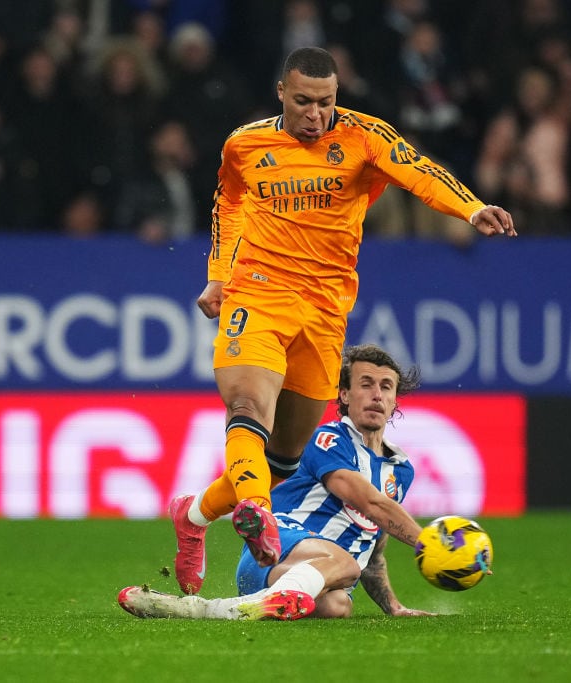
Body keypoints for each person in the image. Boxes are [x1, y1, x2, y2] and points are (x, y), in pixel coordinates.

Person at [168, 46, 515, 597]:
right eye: (303, 101)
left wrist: (470, 208)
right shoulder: (245, 143)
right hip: (257, 291)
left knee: (282, 459)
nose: (315, 114)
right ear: (281, 92)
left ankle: (192, 518)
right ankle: (255, 510)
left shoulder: (363, 137)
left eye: (326, 102)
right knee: (246, 407)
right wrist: (218, 274)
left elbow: (419, 173)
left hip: (326, 309)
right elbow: (228, 205)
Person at [119, 344, 434, 620]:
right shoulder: (327, 439)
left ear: (395, 400)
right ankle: (250, 599)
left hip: (314, 576)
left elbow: (374, 547)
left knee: (338, 606)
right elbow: (369, 502)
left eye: (387, 387)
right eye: (366, 384)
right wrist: (430, 545)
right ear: (344, 394)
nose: (377, 395)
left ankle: (209, 609)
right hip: (273, 551)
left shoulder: (399, 470)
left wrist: (393, 606)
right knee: (346, 564)